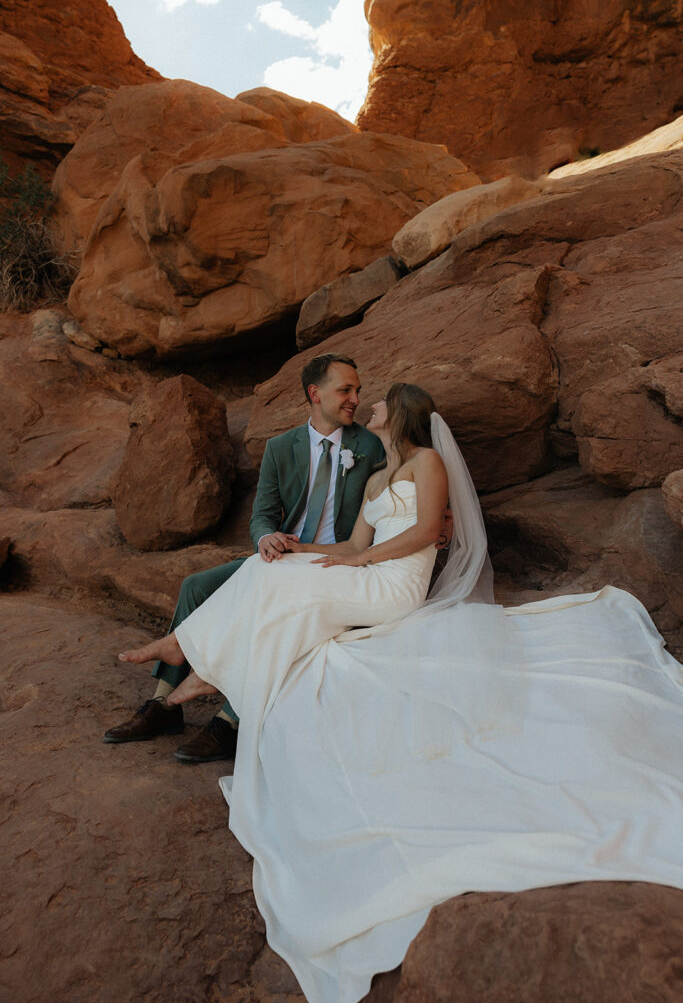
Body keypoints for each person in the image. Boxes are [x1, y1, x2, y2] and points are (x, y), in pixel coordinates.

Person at [120, 385, 683, 1003]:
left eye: (379, 403)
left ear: (402, 413)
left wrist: (356, 566)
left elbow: (420, 536)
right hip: (365, 573)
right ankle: (198, 661)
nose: (370, 409)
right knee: (268, 568)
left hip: (394, 589)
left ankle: (194, 661)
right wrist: (301, 548)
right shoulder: (378, 476)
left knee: (294, 593)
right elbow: (351, 547)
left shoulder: (425, 464)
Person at [104, 353, 386, 761]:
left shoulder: (370, 446)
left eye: (357, 390)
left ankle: (230, 721)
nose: (355, 398)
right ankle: (164, 703)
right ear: (315, 393)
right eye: (346, 389)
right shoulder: (280, 447)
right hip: (280, 556)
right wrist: (265, 538)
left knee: (272, 611)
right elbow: (263, 514)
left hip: (330, 563)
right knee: (195, 586)